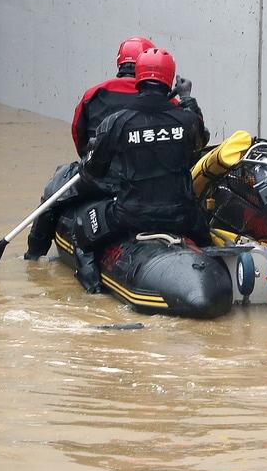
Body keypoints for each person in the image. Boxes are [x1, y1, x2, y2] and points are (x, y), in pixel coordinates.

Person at [69, 48, 210, 292]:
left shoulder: (116, 122)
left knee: (83, 228)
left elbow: (93, 172)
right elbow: (201, 140)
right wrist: (187, 98)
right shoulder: (186, 119)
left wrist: (92, 152)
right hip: (184, 217)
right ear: (170, 79)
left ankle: (93, 292)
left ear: (139, 78)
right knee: (206, 231)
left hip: (130, 215)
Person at [69, 35, 155, 157]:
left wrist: (88, 158)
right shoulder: (161, 97)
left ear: (119, 62)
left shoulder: (93, 93)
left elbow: (77, 131)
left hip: (98, 167)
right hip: (145, 168)